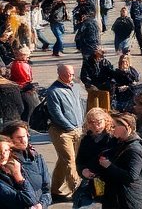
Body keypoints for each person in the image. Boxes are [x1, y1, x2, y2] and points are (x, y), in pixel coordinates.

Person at [92, 111, 142, 209]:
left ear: (127, 126)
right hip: (114, 197)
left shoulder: (135, 149)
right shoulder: (119, 142)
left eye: (114, 126)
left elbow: (131, 176)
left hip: (127, 199)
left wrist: (109, 166)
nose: (110, 129)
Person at [46, 64, 84, 203]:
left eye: (72, 74)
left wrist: (81, 124)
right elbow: (56, 113)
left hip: (77, 129)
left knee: (63, 161)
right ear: (59, 73)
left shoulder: (75, 87)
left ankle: (56, 191)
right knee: (70, 160)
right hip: (62, 131)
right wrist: (70, 127)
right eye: (68, 74)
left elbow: (80, 105)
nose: (71, 77)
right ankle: (78, 190)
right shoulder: (53, 91)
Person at [2, 120, 52, 209]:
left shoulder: (36, 157)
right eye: (19, 137)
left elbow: (47, 189)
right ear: (9, 140)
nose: (24, 140)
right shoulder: (7, 164)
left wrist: (41, 205)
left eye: (25, 136)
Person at [75, 108, 113, 204]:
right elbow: (79, 161)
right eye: (91, 123)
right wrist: (83, 171)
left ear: (106, 121)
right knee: (79, 203)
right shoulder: (86, 140)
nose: (96, 126)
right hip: (90, 180)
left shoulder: (112, 138)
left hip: (109, 181)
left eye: (99, 122)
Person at [0, 134, 41, 208]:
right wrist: (18, 175)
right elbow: (27, 201)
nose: (3, 155)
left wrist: (18, 175)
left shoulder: (12, 168)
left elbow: (34, 198)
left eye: (6, 150)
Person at [80, 47, 114, 111]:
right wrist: (90, 85)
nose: (102, 54)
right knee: (95, 97)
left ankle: (108, 109)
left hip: (103, 84)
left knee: (110, 90)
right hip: (93, 84)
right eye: (100, 52)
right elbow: (84, 76)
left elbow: (111, 74)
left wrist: (111, 81)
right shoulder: (88, 62)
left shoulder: (105, 62)